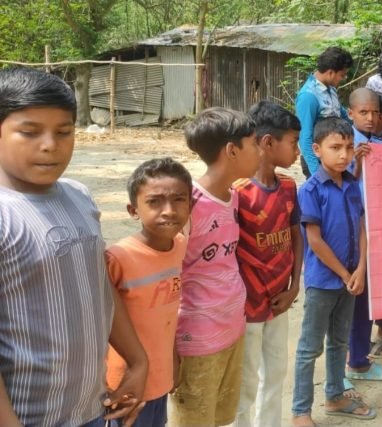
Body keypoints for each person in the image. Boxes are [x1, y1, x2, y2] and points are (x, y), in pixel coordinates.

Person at [0, 67, 147, 427]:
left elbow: (98, 287)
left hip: (92, 410)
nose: (50, 144)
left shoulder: (79, 196)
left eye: (64, 132)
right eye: (29, 132)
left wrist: (138, 360)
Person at [169, 107, 261, 426]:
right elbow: (168, 276)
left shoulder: (233, 196)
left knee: (221, 417)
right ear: (232, 150)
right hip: (197, 340)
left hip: (232, 328)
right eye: (254, 144)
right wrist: (168, 348)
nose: (260, 151)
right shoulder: (188, 204)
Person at [292, 117, 373, 427]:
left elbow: (362, 227)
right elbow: (314, 238)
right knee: (309, 347)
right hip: (324, 282)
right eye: (335, 148)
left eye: (349, 148)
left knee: (339, 342)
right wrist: (343, 273)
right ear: (317, 149)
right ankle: (300, 411)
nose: (344, 155)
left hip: (352, 279)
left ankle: (336, 395)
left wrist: (361, 269)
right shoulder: (311, 190)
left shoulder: (352, 184)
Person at [106, 158, 192, 427]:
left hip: (160, 376)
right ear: (134, 210)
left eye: (179, 199)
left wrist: (173, 360)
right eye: (154, 202)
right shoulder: (118, 258)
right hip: (126, 383)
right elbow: (101, 320)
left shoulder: (180, 245)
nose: (168, 210)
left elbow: (168, 315)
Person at [233, 102, 303, 427]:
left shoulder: (288, 186)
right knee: (246, 382)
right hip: (247, 306)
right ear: (267, 143)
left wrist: (293, 287)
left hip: (279, 299)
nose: (298, 150)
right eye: (293, 141)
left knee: (275, 373)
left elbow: (295, 237)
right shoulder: (238, 192)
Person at [342, 88, 382, 382]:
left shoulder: (375, 141)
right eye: (364, 112)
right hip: (352, 232)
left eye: (375, 112)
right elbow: (339, 182)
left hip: (371, 228)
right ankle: (354, 360)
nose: (371, 118)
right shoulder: (344, 142)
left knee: (366, 298)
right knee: (355, 298)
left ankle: (360, 357)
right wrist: (358, 162)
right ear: (350, 113)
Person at [296, 46, 354, 177]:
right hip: (317, 161)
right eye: (342, 75)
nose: (343, 78)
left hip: (335, 155)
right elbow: (305, 137)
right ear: (330, 72)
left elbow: (343, 116)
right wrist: (317, 173)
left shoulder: (331, 88)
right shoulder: (308, 96)